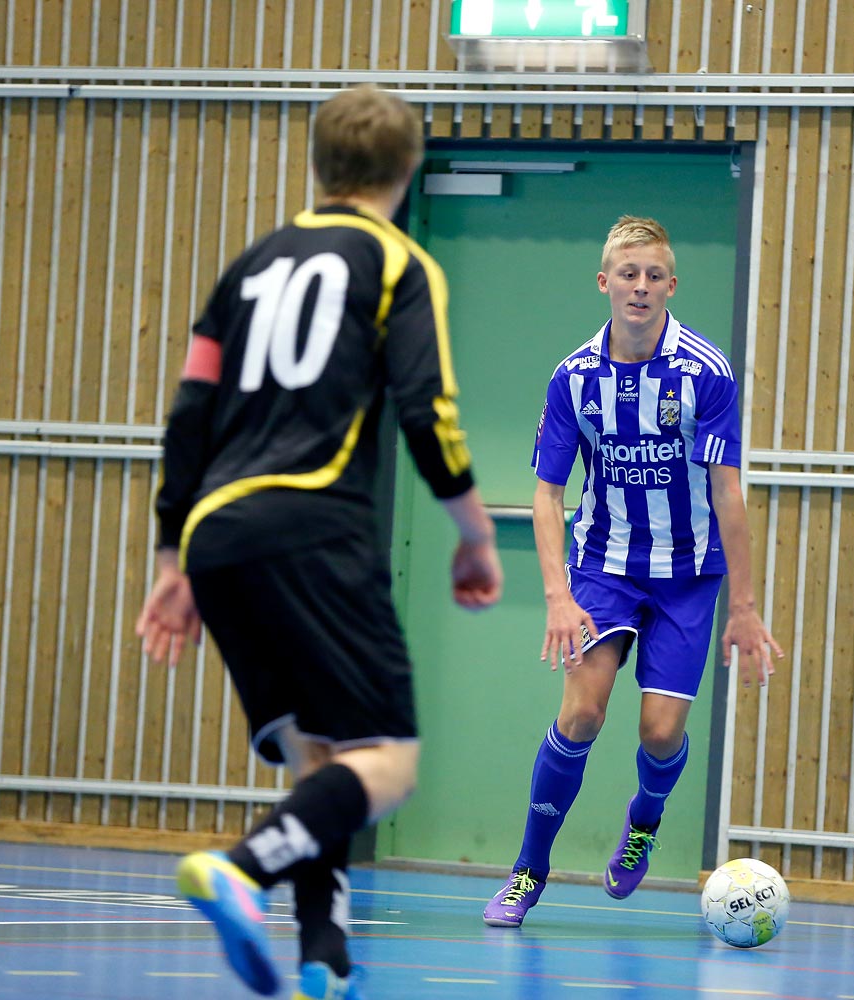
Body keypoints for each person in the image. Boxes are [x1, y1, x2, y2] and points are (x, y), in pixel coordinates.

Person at [135, 86, 502, 999]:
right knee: (387, 762)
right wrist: (474, 533)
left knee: (321, 763)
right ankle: (242, 867)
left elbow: (190, 416)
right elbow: (429, 411)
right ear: (409, 169)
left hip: (220, 532)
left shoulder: (249, 266)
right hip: (314, 527)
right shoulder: (397, 262)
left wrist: (170, 557)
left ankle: (322, 960)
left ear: (317, 162)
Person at [481, 216, 783, 928]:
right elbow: (548, 495)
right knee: (582, 710)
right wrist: (557, 595)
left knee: (658, 732)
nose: (640, 287)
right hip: (604, 566)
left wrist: (744, 604)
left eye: (653, 275)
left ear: (671, 285)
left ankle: (643, 821)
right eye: (628, 273)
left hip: (688, 574)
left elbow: (727, 491)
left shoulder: (705, 373)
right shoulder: (574, 379)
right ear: (605, 282)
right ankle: (528, 869)